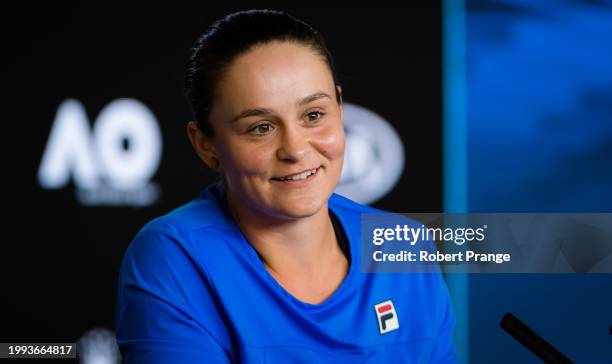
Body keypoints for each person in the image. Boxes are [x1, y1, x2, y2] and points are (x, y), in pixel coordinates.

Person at [115, 9, 456, 363]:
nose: (295, 149)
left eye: (313, 116)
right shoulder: (174, 255)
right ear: (206, 145)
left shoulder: (404, 247)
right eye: (261, 127)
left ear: (339, 107)